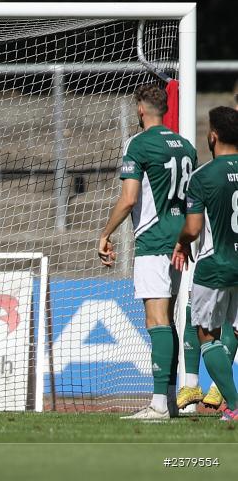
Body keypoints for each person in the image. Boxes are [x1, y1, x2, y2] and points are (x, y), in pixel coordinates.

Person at [97, 83, 197, 419]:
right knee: (170, 321)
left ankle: (158, 404)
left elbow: (129, 198)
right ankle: (169, 399)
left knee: (157, 320)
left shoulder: (137, 144)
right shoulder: (185, 145)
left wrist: (106, 233)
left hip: (153, 241)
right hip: (183, 240)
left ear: (140, 109)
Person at [172, 106, 238, 421]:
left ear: (212, 136)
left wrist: (182, 241)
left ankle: (235, 406)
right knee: (235, 332)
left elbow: (194, 228)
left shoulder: (203, 176)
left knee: (207, 335)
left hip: (215, 265)